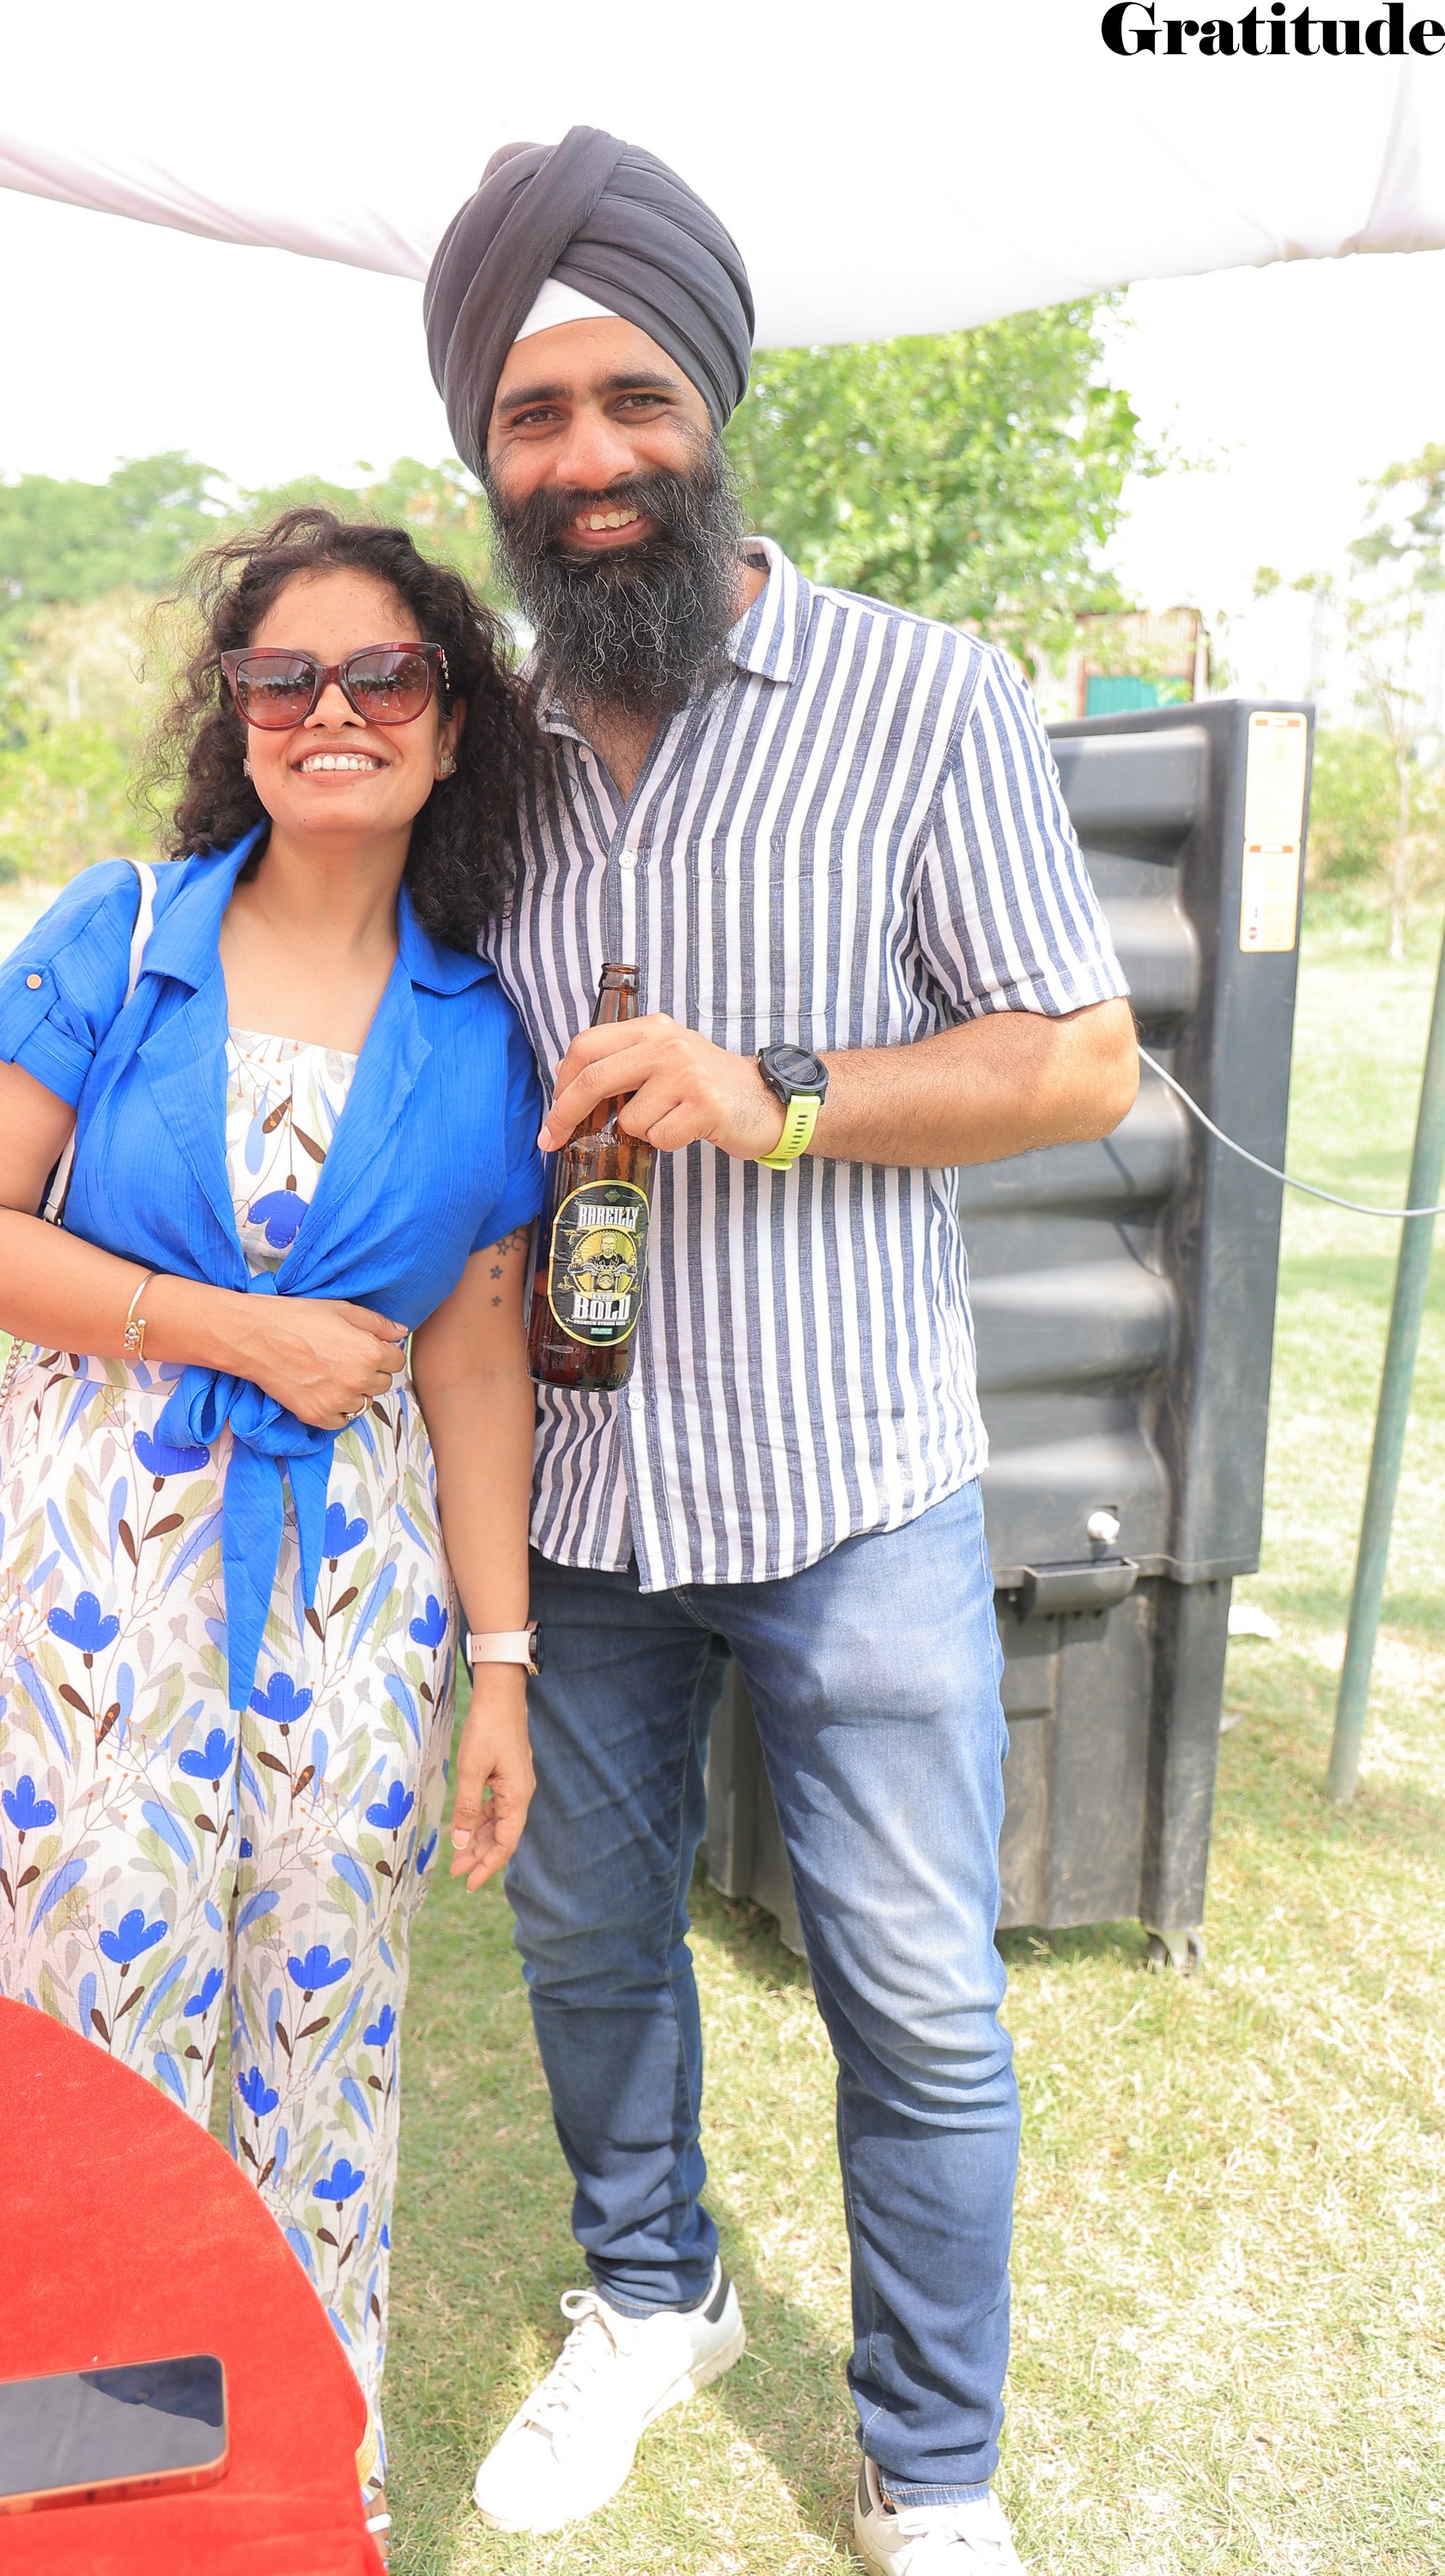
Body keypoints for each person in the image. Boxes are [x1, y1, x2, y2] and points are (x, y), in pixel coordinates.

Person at [423, 133, 1140, 2574]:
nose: (591, 456)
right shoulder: (475, 744)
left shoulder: (921, 696)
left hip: (853, 1484)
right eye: (535, 416)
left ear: (714, 405)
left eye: (634, 398)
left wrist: (782, 1091)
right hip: (575, 1507)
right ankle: (657, 2300)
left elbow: (1079, 1058)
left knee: (915, 1998)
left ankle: (934, 2468)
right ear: (486, 451)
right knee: (586, 1942)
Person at [0, 513, 545, 2552]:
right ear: (236, 713)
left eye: (384, 674)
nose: (331, 709)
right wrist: (235, 1327)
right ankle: (87, 2509)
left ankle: (296, 2501)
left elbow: (477, 1369)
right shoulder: (120, 935)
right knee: (94, 2040)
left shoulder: (478, 1024)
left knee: (323, 2055)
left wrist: (501, 1670)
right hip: (101, 1580)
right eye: (284, 676)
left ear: (453, 722)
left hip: (358, 1612)